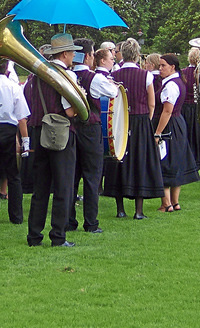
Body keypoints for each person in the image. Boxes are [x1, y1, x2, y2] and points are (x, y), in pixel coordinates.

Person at [26, 32, 80, 247]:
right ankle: (58, 235)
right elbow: (69, 111)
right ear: (64, 54)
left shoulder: (36, 76)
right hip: (61, 133)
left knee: (40, 187)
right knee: (63, 186)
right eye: (72, 52)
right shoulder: (67, 75)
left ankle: (34, 235)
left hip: (39, 131)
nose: (73, 56)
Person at [104, 38, 162, 219]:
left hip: (119, 121)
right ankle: (138, 211)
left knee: (118, 160)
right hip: (140, 121)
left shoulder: (114, 74)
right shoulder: (146, 76)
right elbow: (152, 104)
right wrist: (147, 121)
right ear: (137, 55)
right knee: (140, 162)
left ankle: (120, 209)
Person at [70, 40, 118, 233]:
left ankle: (69, 220)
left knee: (71, 176)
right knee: (92, 176)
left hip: (71, 128)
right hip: (90, 129)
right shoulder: (95, 78)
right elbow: (113, 92)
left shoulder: (68, 76)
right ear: (88, 56)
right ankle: (90, 222)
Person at [0, 61, 30, 225]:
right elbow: (22, 117)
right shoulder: (14, 87)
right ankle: (16, 216)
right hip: (9, 131)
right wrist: (25, 140)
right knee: (13, 174)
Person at [154, 54, 200, 211]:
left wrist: (157, 132)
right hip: (177, 123)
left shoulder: (171, 85)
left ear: (172, 67)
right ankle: (175, 202)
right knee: (175, 160)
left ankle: (166, 204)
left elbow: (167, 111)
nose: (160, 69)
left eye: (163, 65)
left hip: (169, 125)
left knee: (165, 160)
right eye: (159, 65)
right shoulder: (177, 81)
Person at [181, 47, 200, 170]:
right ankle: (197, 162)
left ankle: (188, 163)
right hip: (198, 108)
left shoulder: (183, 73)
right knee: (198, 136)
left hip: (185, 108)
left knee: (187, 136)